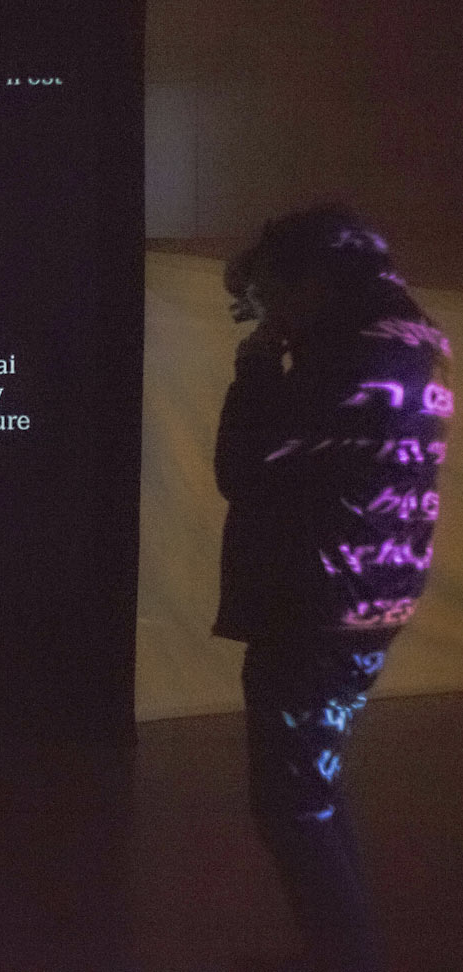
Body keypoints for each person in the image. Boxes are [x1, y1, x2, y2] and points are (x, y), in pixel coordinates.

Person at [214, 205, 451, 972]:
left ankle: (349, 959)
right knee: (313, 790)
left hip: (315, 604)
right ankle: (346, 954)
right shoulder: (411, 343)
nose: (271, 318)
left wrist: (257, 367)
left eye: (274, 295)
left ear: (315, 281)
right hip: (363, 594)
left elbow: (246, 467)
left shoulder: (353, 355)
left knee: (292, 806)